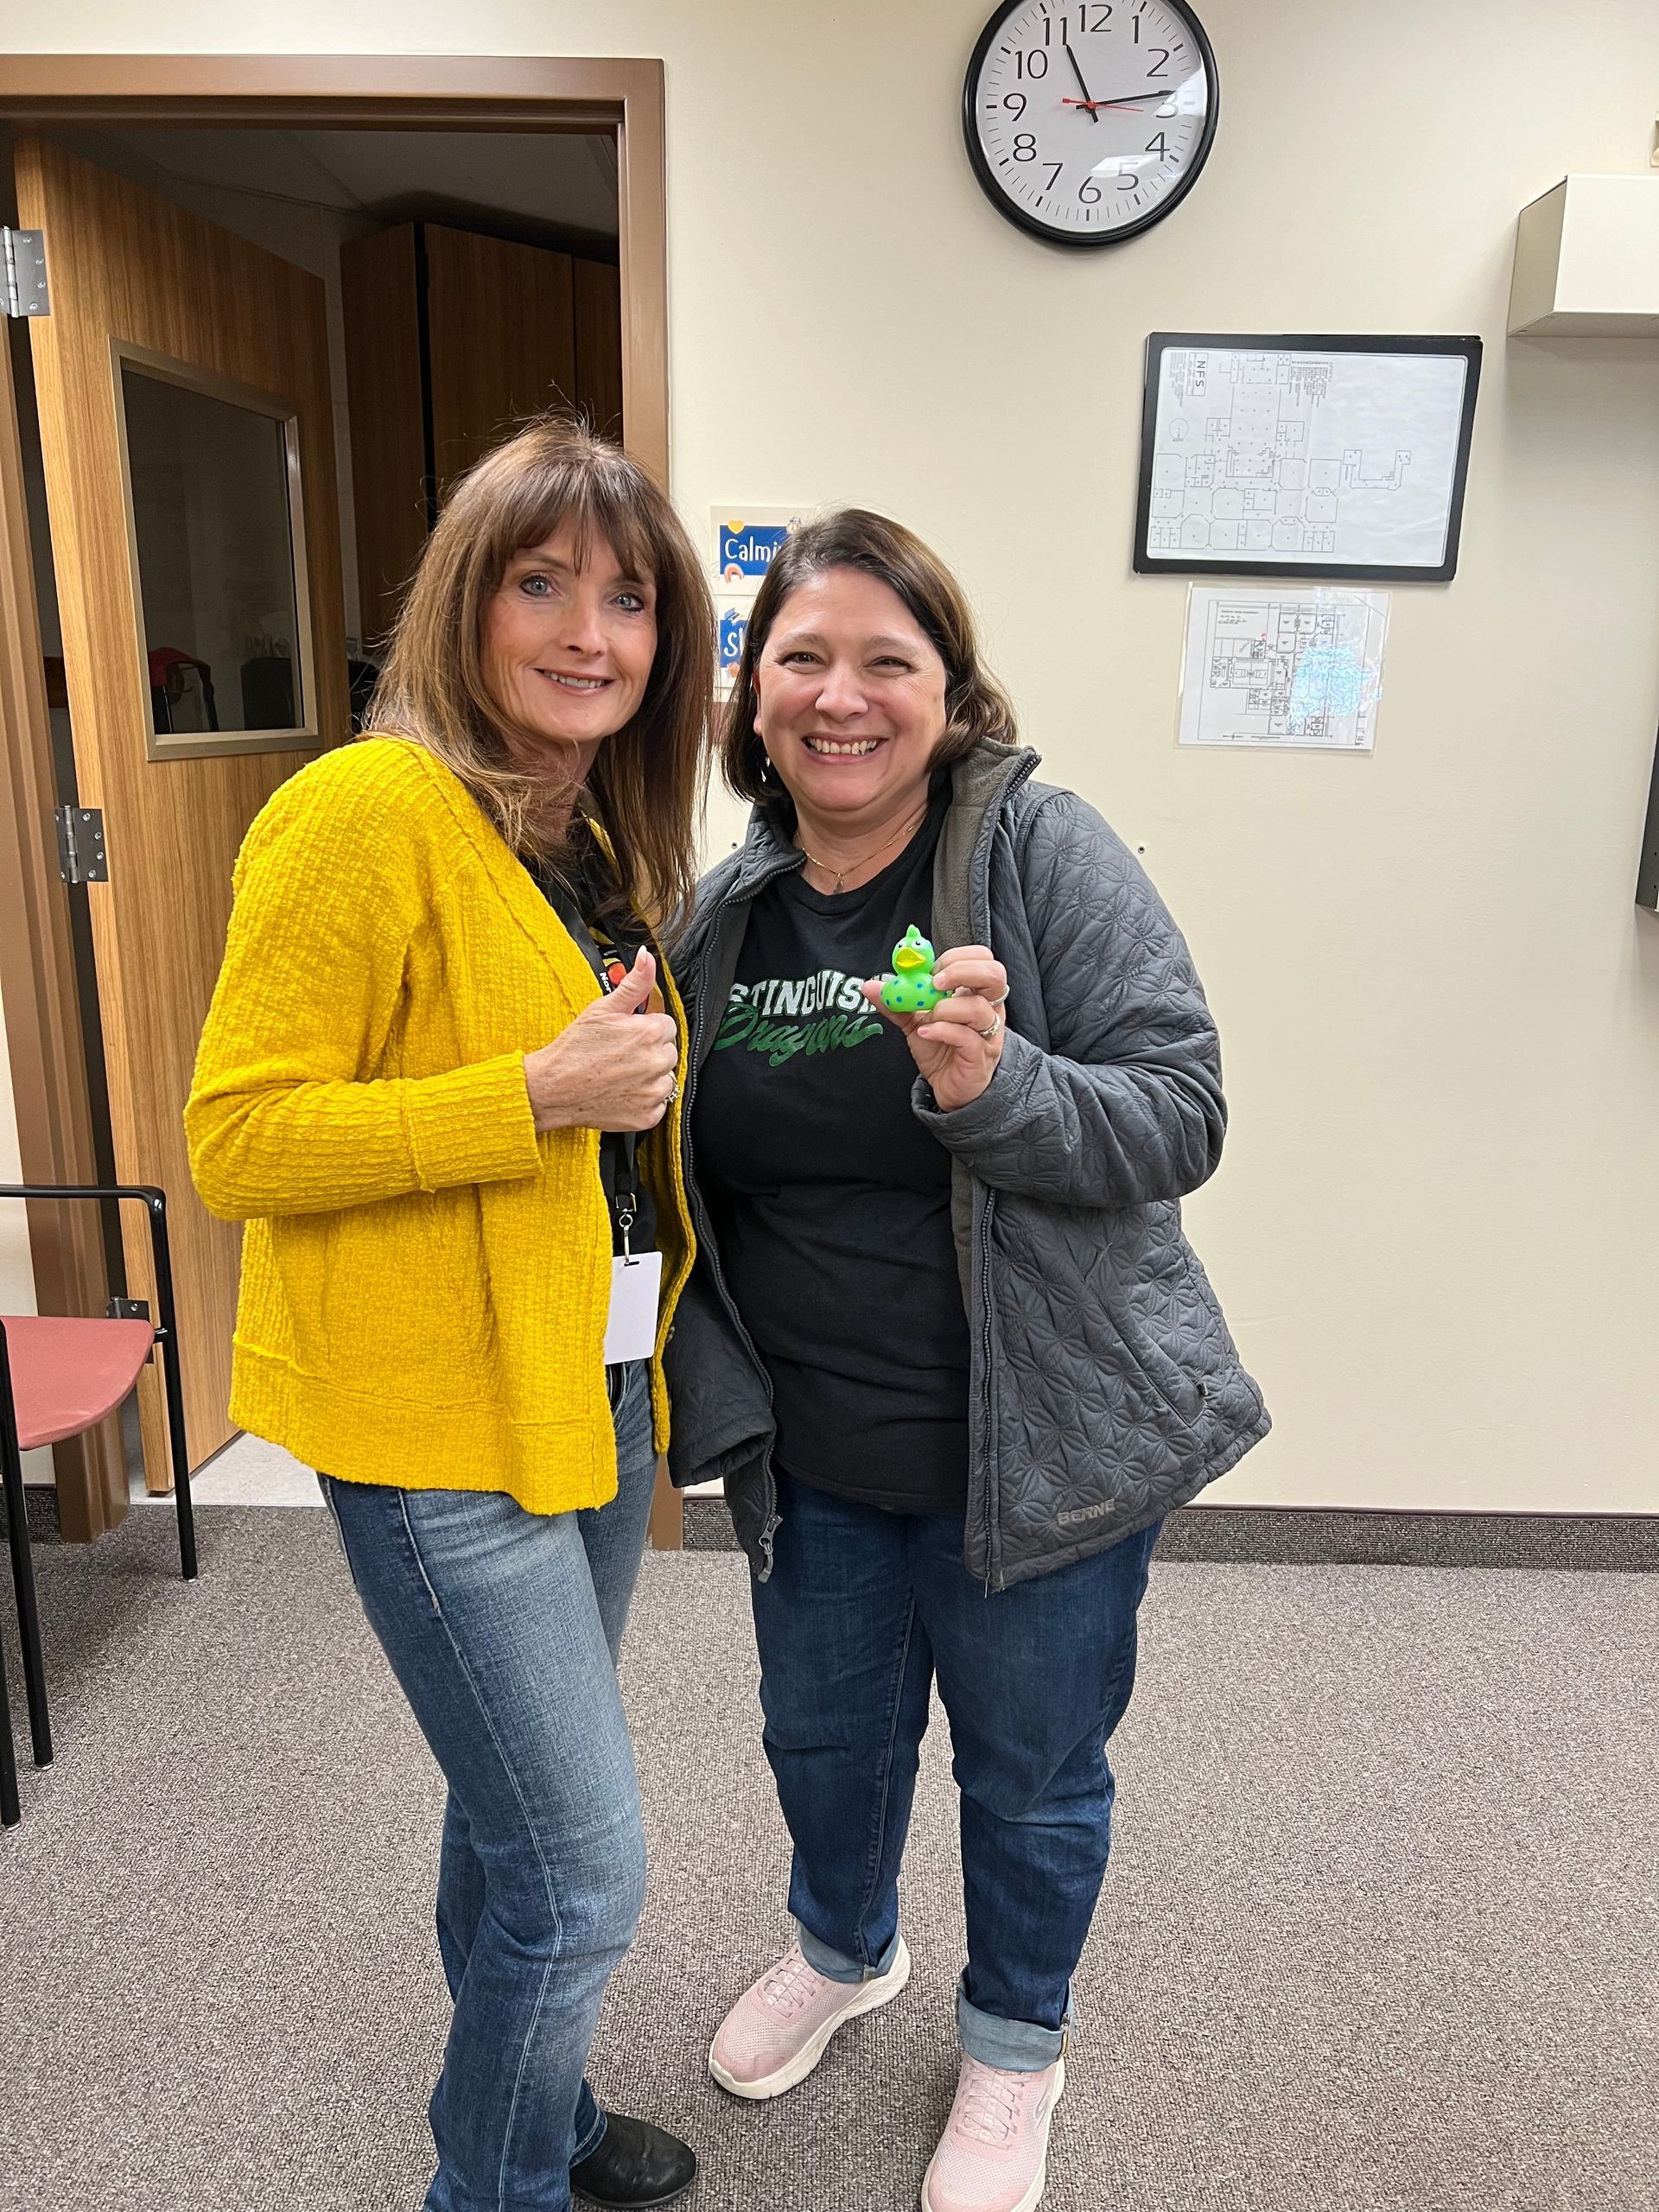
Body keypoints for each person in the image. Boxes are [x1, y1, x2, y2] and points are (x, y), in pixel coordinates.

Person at [666, 511, 1269, 2212]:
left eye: (886, 660)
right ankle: (846, 1946)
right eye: (803, 656)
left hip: (1043, 1446)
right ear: (755, 691)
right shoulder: (732, 906)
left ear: (949, 689)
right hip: (812, 1454)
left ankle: (1016, 2042)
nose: (840, 695)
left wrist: (994, 1091)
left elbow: (1181, 1108)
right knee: (824, 1741)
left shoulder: (1042, 854)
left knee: (1031, 1774)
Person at [187, 419, 713, 2212]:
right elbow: (238, 1137)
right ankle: (489, 2185)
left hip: (587, 1394)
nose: (590, 630)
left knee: (517, 1821)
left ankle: (545, 2115)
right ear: (463, 605)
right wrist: (533, 1095)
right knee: (585, 1868)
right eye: (542, 582)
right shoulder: (364, 807)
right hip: (434, 1423)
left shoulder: (590, 838)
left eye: (630, 596)